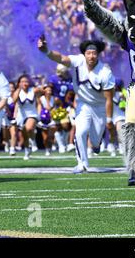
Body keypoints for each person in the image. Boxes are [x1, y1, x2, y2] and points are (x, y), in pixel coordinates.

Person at [38, 36, 115, 173]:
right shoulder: (78, 61)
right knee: (80, 132)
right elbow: (61, 58)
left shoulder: (105, 72)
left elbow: (109, 98)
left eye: (94, 53)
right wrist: (46, 51)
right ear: (84, 54)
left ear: (98, 54)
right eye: (88, 53)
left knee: (96, 140)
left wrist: (109, 119)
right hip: (83, 104)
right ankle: (82, 164)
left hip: (99, 107)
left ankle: (96, 145)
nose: (91, 56)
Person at [13, 74, 42, 160]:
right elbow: (14, 101)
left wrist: (39, 114)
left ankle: (33, 140)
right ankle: (27, 150)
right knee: (24, 134)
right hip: (21, 116)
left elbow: (39, 103)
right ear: (19, 83)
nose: (25, 83)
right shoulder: (18, 92)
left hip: (32, 114)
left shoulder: (33, 90)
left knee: (28, 128)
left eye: (26, 81)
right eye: (22, 81)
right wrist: (18, 89)